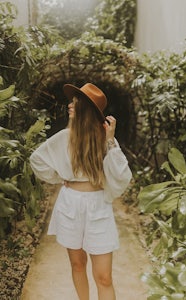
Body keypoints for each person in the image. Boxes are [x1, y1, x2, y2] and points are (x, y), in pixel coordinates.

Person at [30, 83, 132, 300]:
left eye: (74, 103)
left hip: (98, 206)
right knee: (78, 264)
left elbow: (122, 175)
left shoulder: (104, 138)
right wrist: (61, 177)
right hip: (70, 203)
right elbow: (37, 160)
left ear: (84, 108)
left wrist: (111, 141)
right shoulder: (64, 137)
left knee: (104, 277)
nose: (69, 105)